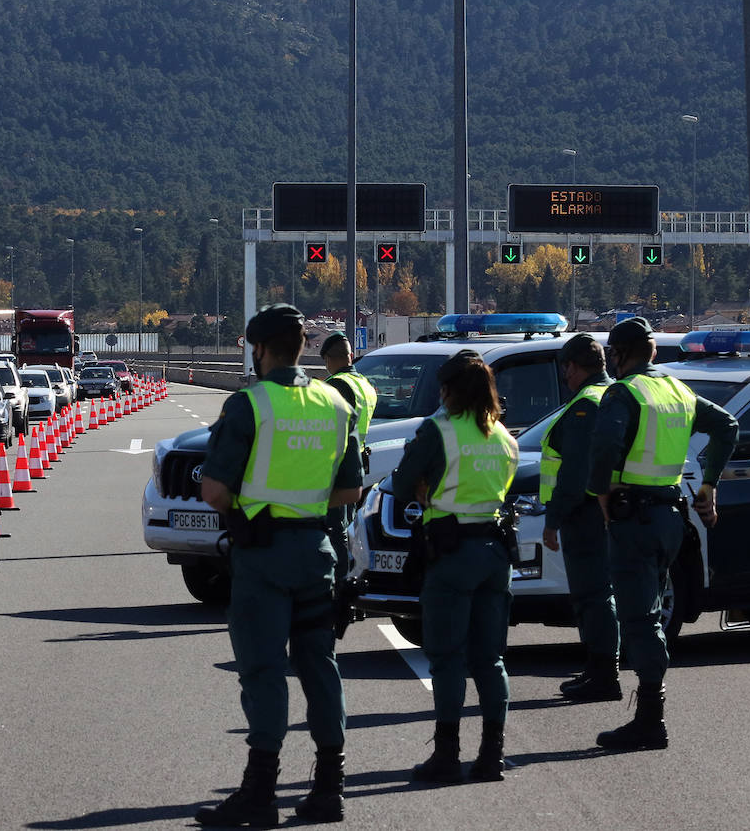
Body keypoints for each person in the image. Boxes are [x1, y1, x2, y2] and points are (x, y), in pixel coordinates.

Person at [194, 304, 363, 827]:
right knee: (320, 667)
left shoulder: (250, 405)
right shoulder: (336, 402)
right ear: (304, 348)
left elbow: (216, 489)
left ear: (259, 349)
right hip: (317, 553)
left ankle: (260, 792)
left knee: (265, 670)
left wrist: (249, 508)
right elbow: (350, 489)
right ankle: (329, 788)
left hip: (264, 557)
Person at [587, 316, 736, 750]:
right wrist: (709, 485)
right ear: (653, 351)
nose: (612, 362)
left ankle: (651, 718)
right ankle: (650, 713)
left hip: (634, 518)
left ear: (622, 353)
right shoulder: (675, 389)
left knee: (641, 618)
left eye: (613, 354)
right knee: (649, 608)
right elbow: (726, 426)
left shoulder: (624, 392)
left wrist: (602, 491)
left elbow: (606, 445)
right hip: (671, 517)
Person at [390, 350, 519, 784]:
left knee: (446, 658)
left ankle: (446, 755)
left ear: (448, 390)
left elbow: (401, 482)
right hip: (495, 552)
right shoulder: (504, 437)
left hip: (451, 552)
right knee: (490, 659)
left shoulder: (438, 430)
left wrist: (425, 489)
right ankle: (492, 756)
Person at [539, 334, 619, 702]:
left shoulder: (586, 404)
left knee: (592, 596)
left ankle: (603, 675)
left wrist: (553, 519)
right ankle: (598, 671)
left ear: (572, 367)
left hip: (584, 513)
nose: (564, 377)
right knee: (600, 595)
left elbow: (573, 472)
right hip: (608, 509)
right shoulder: (614, 393)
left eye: (565, 370)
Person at [320, 331, 378, 578]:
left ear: (328, 360)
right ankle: (356, 577)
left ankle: (342, 584)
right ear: (350, 356)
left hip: (337, 465)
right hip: (358, 461)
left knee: (335, 530)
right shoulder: (365, 384)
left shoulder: (337, 385)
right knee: (351, 528)